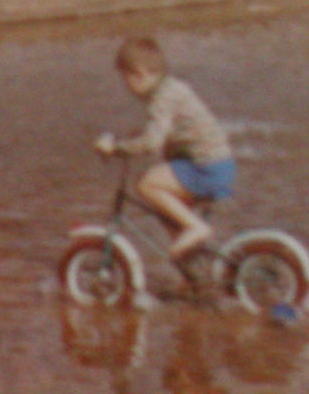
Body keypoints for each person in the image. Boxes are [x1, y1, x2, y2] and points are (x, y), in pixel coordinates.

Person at [94, 36, 234, 259]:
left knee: (147, 184)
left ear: (139, 74)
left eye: (126, 79)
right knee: (167, 213)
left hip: (207, 168)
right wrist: (130, 139)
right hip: (216, 164)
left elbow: (152, 143)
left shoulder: (163, 97)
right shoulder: (170, 89)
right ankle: (193, 268)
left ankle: (197, 228)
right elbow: (158, 132)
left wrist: (116, 148)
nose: (127, 87)